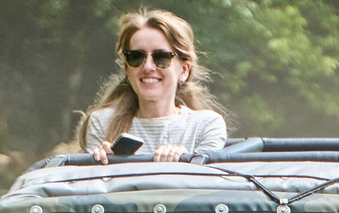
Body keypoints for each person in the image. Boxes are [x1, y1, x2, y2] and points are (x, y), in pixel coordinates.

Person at [82, 10, 229, 160]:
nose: (148, 67)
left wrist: (184, 163)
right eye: (136, 57)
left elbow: (205, 182)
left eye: (161, 57)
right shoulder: (102, 122)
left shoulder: (205, 125)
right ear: (127, 68)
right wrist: (106, 165)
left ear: (184, 70)